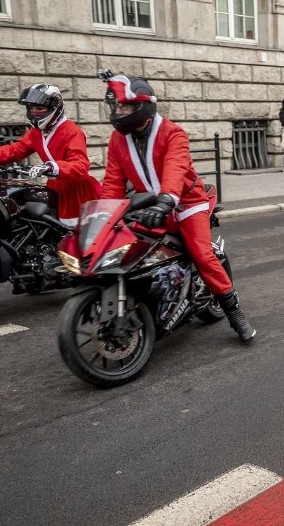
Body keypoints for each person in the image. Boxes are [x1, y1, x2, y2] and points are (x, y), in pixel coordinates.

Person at [100, 73, 256, 342]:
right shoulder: (117, 140)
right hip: (150, 205)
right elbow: (113, 182)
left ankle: (236, 314)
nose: (117, 112)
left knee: (202, 255)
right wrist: (104, 216)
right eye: (116, 106)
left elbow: (175, 168)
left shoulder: (173, 133)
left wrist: (166, 200)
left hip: (186, 201)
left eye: (124, 107)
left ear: (143, 108)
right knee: (127, 247)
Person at [0, 84, 101, 231]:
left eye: (40, 108)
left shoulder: (72, 131)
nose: (34, 113)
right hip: (54, 188)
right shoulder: (36, 132)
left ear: (55, 107)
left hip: (76, 191)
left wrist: (51, 167)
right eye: (31, 108)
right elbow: (16, 150)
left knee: (76, 237)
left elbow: (80, 165)